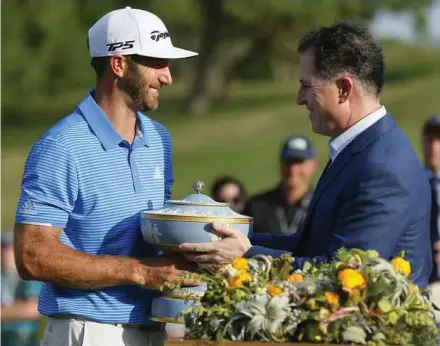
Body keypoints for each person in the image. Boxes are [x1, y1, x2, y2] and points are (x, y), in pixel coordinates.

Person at [178, 23, 432, 288]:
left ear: (344, 88)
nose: (300, 98)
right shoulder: (361, 152)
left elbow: (344, 274)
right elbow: (308, 245)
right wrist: (228, 234)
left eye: (306, 85)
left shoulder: (382, 169)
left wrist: (245, 254)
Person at [13, 7, 199, 346]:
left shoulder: (159, 140)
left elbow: (153, 240)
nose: (168, 77)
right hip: (88, 331)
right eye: (157, 63)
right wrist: (140, 272)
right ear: (119, 64)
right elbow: (31, 256)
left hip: (155, 329)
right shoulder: (61, 146)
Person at [243, 135, 317, 235]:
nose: (293, 170)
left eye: (299, 162)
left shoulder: (322, 206)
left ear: (313, 165)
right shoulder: (257, 205)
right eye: (288, 162)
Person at [1, 232, 42, 346]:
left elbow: (33, 309)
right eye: (3, 248)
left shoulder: (29, 276)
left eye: (10, 248)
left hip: (23, 339)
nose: (6, 253)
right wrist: (16, 308)